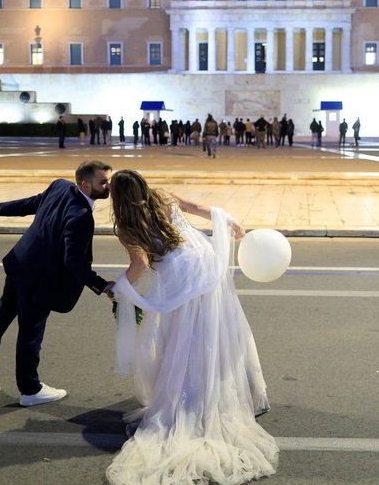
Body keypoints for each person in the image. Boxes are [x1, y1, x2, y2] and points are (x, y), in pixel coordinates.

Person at [105, 170, 278, 485]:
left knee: (187, 337)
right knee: (217, 328)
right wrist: (229, 222)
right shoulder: (163, 196)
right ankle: (237, 388)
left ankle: (194, 396)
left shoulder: (128, 226)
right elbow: (198, 208)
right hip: (205, 261)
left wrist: (119, 288)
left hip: (181, 278)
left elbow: (140, 264)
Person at [0, 160, 116, 406]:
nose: (109, 186)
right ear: (86, 185)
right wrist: (102, 286)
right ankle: (30, 389)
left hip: (21, 263)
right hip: (40, 280)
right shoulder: (81, 216)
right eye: (104, 182)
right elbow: (74, 262)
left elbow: (31, 203)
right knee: (30, 332)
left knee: (2, 313)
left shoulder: (60, 186)